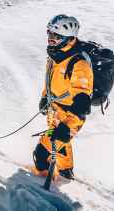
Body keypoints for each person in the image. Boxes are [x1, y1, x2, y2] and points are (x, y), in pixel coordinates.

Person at [32, 14, 94, 181]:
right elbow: (49, 80)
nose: (51, 39)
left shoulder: (78, 63)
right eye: (49, 34)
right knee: (60, 145)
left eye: (56, 36)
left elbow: (82, 104)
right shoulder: (54, 55)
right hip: (55, 112)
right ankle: (66, 175)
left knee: (41, 154)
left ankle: (39, 186)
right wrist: (45, 98)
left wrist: (68, 127)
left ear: (69, 38)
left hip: (69, 117)